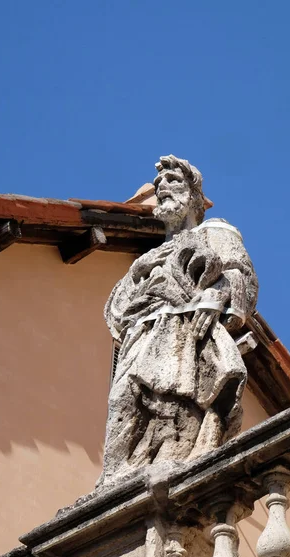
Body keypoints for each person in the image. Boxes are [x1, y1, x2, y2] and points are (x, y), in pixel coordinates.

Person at [97, 155, 258, 485]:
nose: (163, 189)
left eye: (174, 183)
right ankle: (112, 479)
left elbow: (240, 274)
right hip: (141, 337)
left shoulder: (214, 231)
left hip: (184, 332)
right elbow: (116, 311)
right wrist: (141, 276)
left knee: (171, 401)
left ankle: (168, 465)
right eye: (159, 185)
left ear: (194, 197)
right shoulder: (148, 257)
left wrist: (214, 299)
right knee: (122, 400)